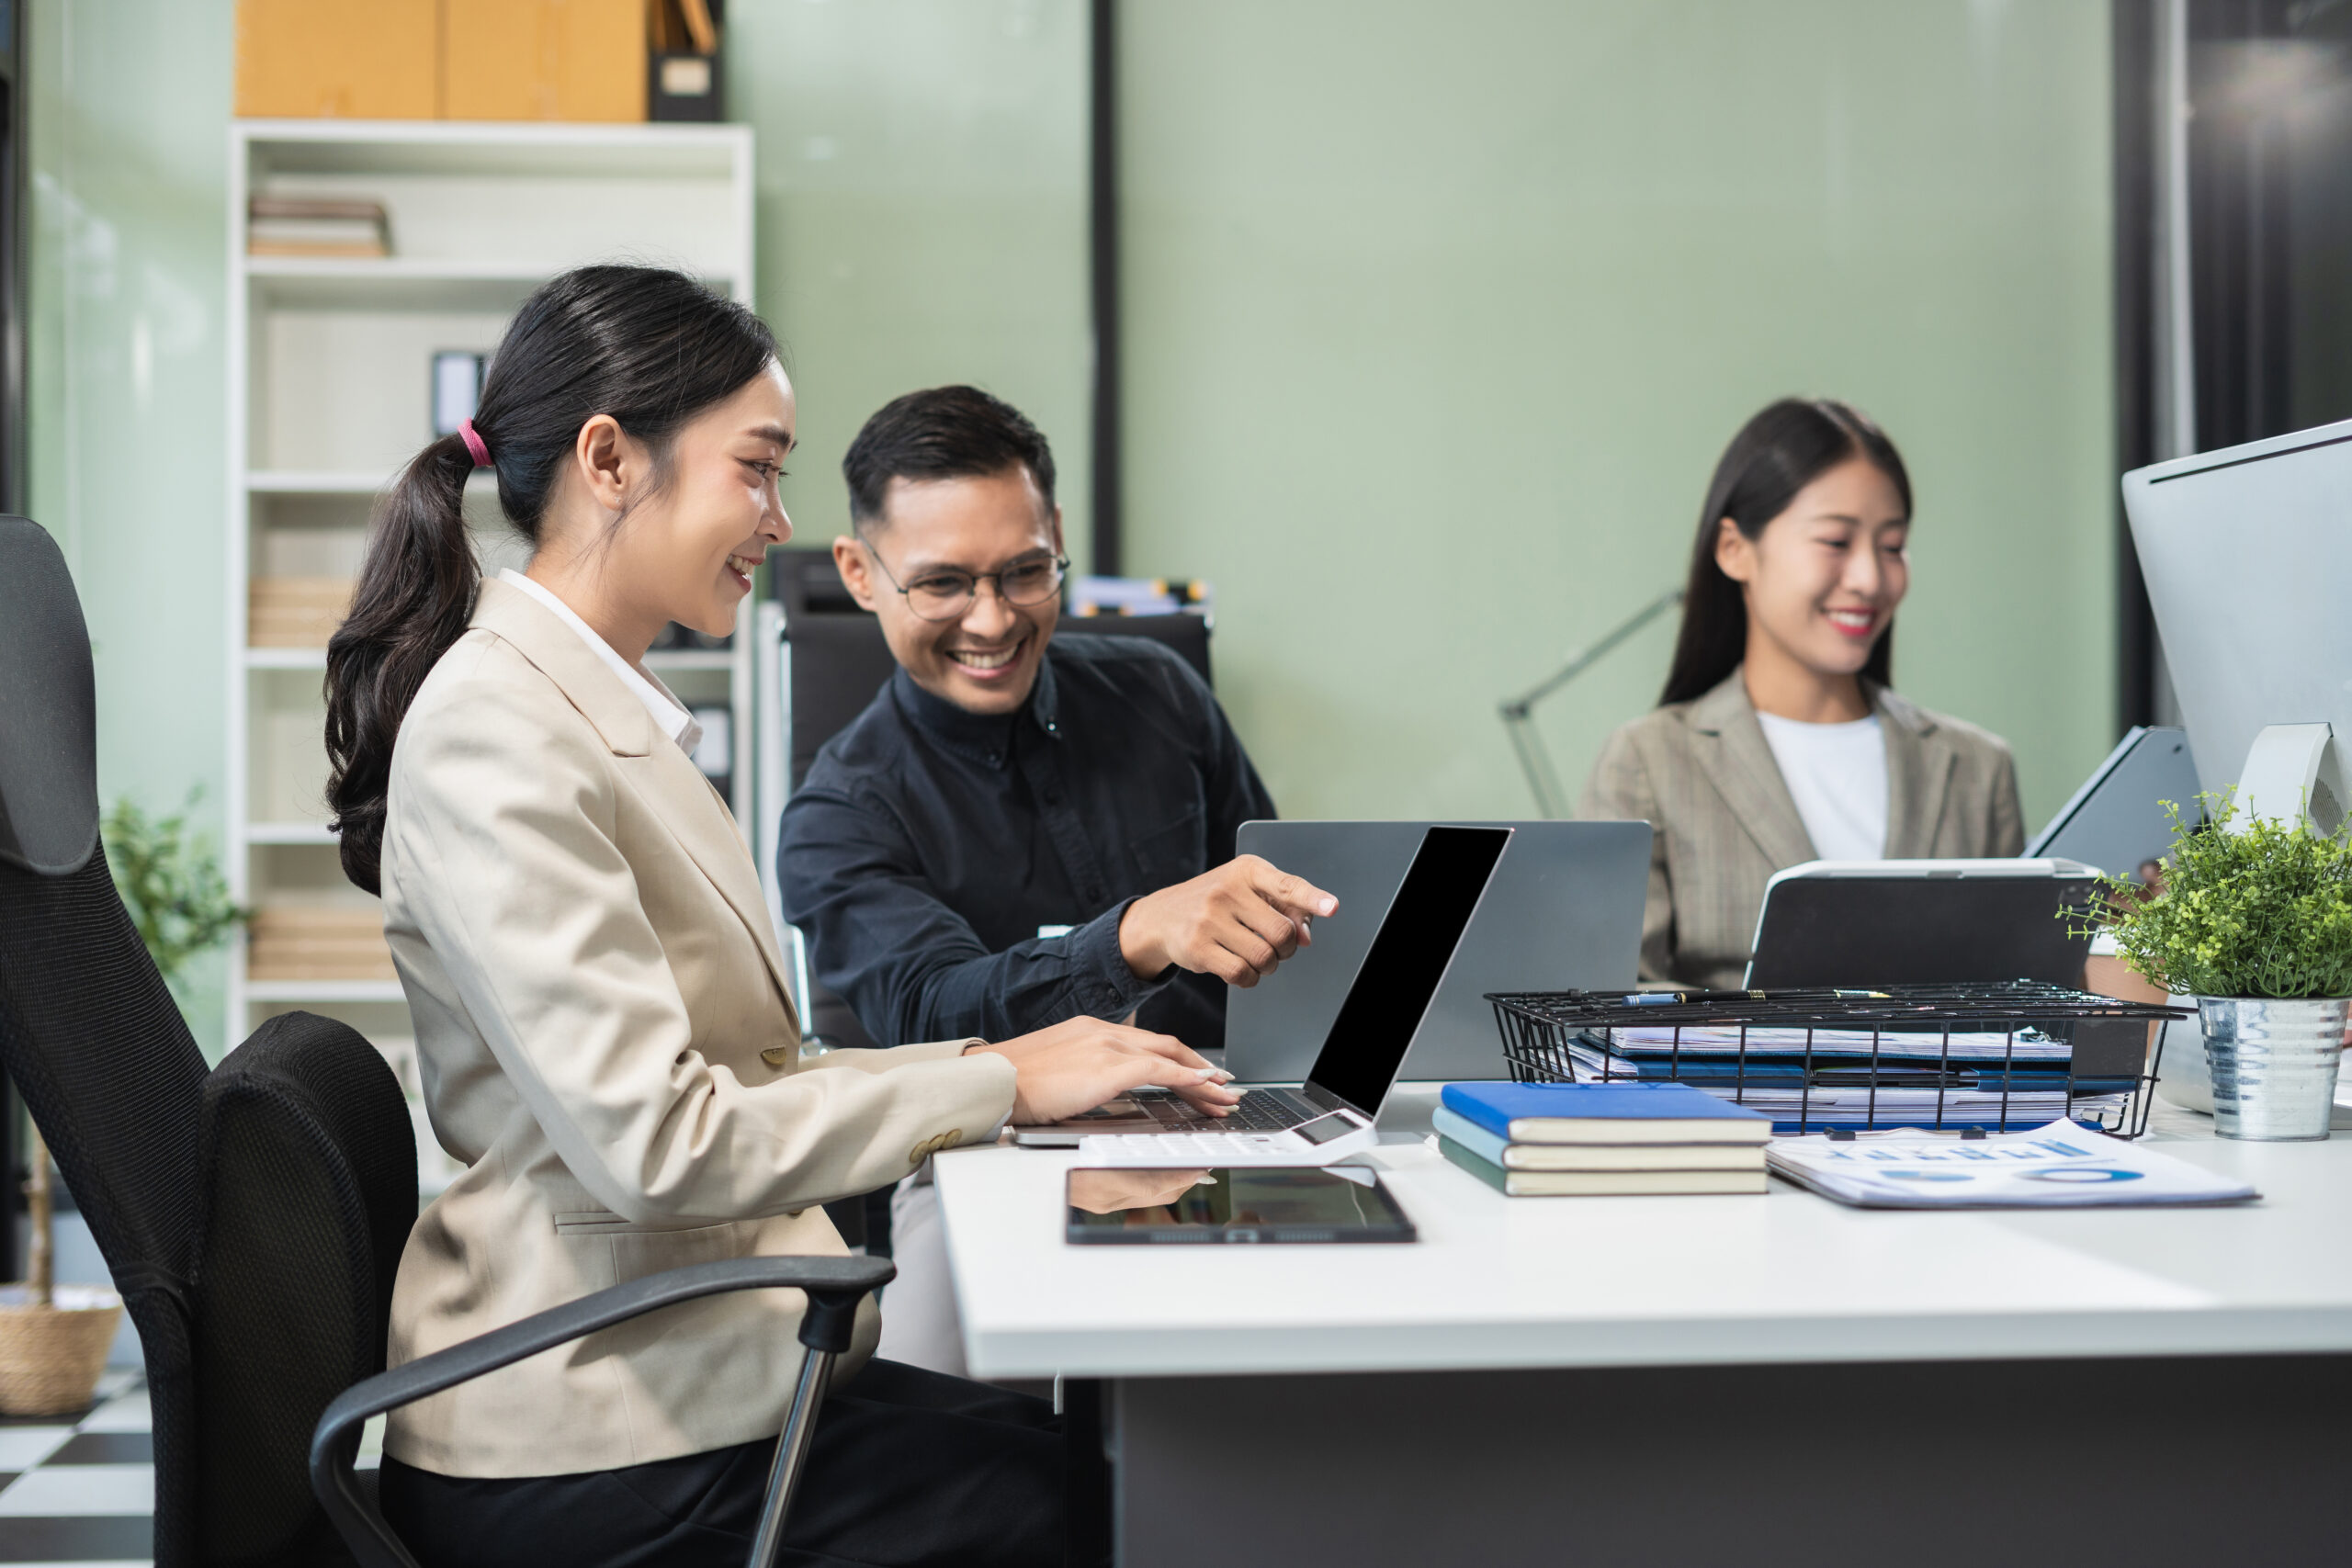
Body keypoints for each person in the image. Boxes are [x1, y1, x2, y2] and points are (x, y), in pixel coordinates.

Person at [322, 265, 1237, 1568]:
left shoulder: (589, 711)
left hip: (682, 1373)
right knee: (1127, 1507)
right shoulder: (498, 733)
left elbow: (749, 1073)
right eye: (756, 468)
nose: (779, 516)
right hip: (596, 1437)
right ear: (610, 460)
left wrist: (1008, 1072)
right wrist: (998, 1077)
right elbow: (663, 1141)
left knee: (1119, 1463)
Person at [777, 385, 1332, 1377]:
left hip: (1223, 1117)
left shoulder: (1162, 693)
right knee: (975, 1418)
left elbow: (1280, 927)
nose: (991, 621)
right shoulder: (838, 813)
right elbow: (931, 1014)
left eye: (1024, 573)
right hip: (975, 1154)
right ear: (861, 574)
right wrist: (1130, 938)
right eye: (943, 584)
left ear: (1056, 538)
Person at [1580, 397, 2024, 989]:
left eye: (1892, 547)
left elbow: (2023, 993)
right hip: (1722, 1085)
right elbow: (1614, 1001)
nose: (1869, 578)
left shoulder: (1977, 767)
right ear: (1735, 550)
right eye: (1836, 542)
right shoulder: (1649, 762)